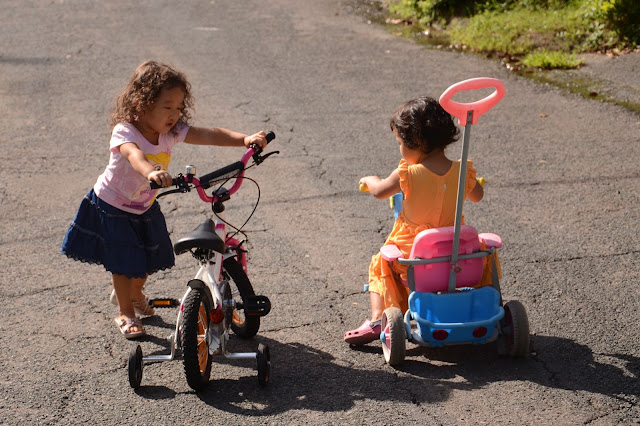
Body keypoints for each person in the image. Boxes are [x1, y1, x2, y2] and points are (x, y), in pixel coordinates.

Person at [61, 60, 268, 339]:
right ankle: (126, 312)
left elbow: (208, 133)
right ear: (141, 104)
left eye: (179, 107)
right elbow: (134, 155)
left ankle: (135, 294)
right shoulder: (125, 131)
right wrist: (151, 172)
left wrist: (244, 139)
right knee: (123, 263)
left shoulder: (170, 131)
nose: (174, 115)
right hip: (113, 206)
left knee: (148, 257)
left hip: (143, 206)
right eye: (167, 107)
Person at [344, 96, 499, 345]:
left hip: (415, 258)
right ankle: (491, 305)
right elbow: (478, 196)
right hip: (457, 254)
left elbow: (380, 191)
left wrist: (369, 179)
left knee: (380, 263)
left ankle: (376, 320)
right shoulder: (463, 171)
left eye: (399, 143)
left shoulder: (407, 173)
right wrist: (469, 182)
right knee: (484, 250)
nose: (400, 149)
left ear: (414, 141)